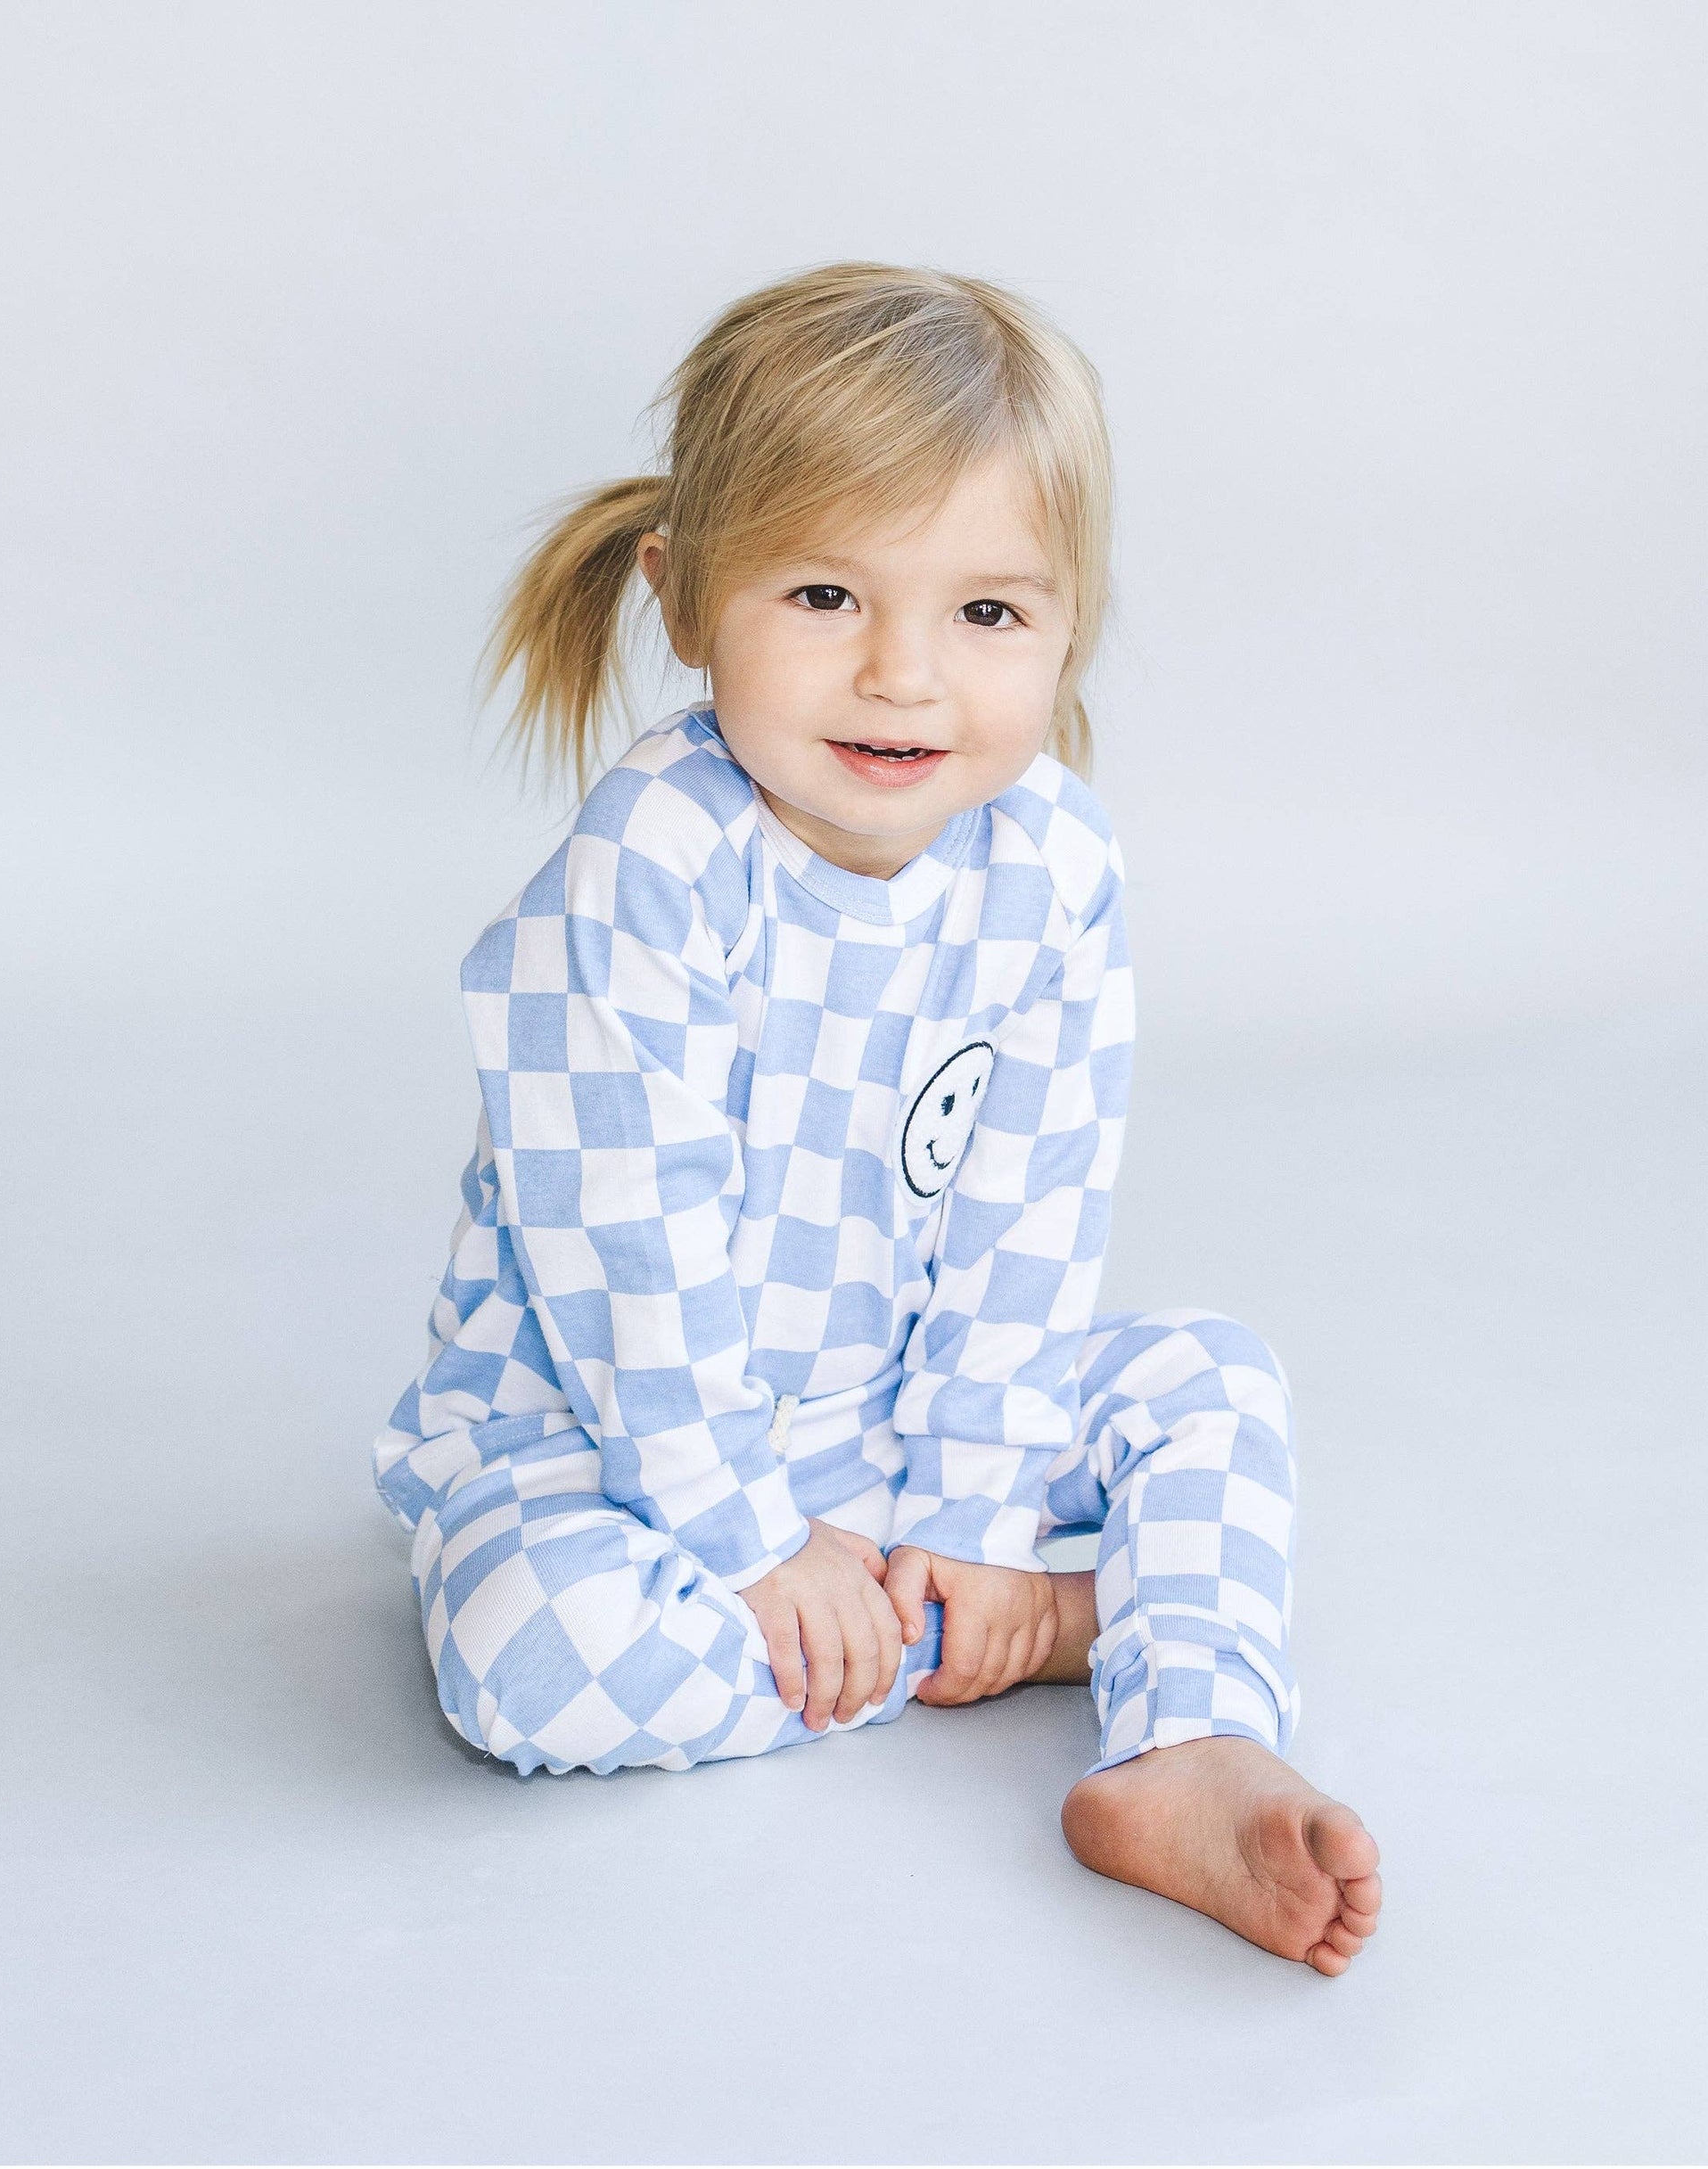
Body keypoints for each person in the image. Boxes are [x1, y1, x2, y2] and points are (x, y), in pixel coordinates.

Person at [373, 263, 1382, 1975]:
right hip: (611, 1440)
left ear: (1069, 626)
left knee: (1210, 1379)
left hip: (892, 1415)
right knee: (532, 1659)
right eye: (825, 594)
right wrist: (755, 1543)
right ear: (682, 598)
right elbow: (627, 1256)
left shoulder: (1052, 862)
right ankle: (1047, 1628)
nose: (902, 675)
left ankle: (1185, 1736)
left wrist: (971, 1514)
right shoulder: (650, 869)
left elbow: (1028, 1215)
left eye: (986, 612)